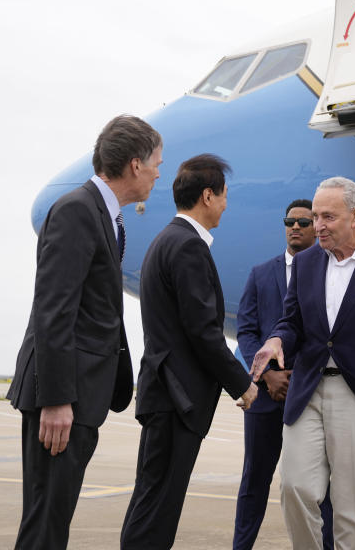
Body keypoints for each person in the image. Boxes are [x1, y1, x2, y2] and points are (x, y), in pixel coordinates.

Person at [7, 114, 163, 549]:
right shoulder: (78, 210)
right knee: (46, 520)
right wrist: (57, 400)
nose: (158, 173)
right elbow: (53, 309)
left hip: (80, 393)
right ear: (135, 164)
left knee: (53, 517)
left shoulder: (105, 216)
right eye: (156, 163)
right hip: (62, 398)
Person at [250, 177, 355, 549]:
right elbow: (291, 320)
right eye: (315, 217)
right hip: (308, 388)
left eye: (328, 216)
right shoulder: (307, 262)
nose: (318, 226)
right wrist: (277, 338)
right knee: (295, 486)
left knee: (350, 506)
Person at [121, 154, 257, 549]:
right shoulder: (187, 246)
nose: (227, 205)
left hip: (164, 394)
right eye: (225, 196)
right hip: (176, 399)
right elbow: (202, 331)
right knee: (158, 506)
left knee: (151, 500)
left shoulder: (165, 240)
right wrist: (241, 384)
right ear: (208, 196)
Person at [233, 199, 333, 550]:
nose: (295, 227)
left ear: (316, 227)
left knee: (318, 485)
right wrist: (265, 377)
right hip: (265, 398)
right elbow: (245, 331)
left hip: (309, 395)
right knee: (254, 480)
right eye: (289, 221)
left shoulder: (330, 271)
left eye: (304, 223)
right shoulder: (261, 273)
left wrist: (299, 377)